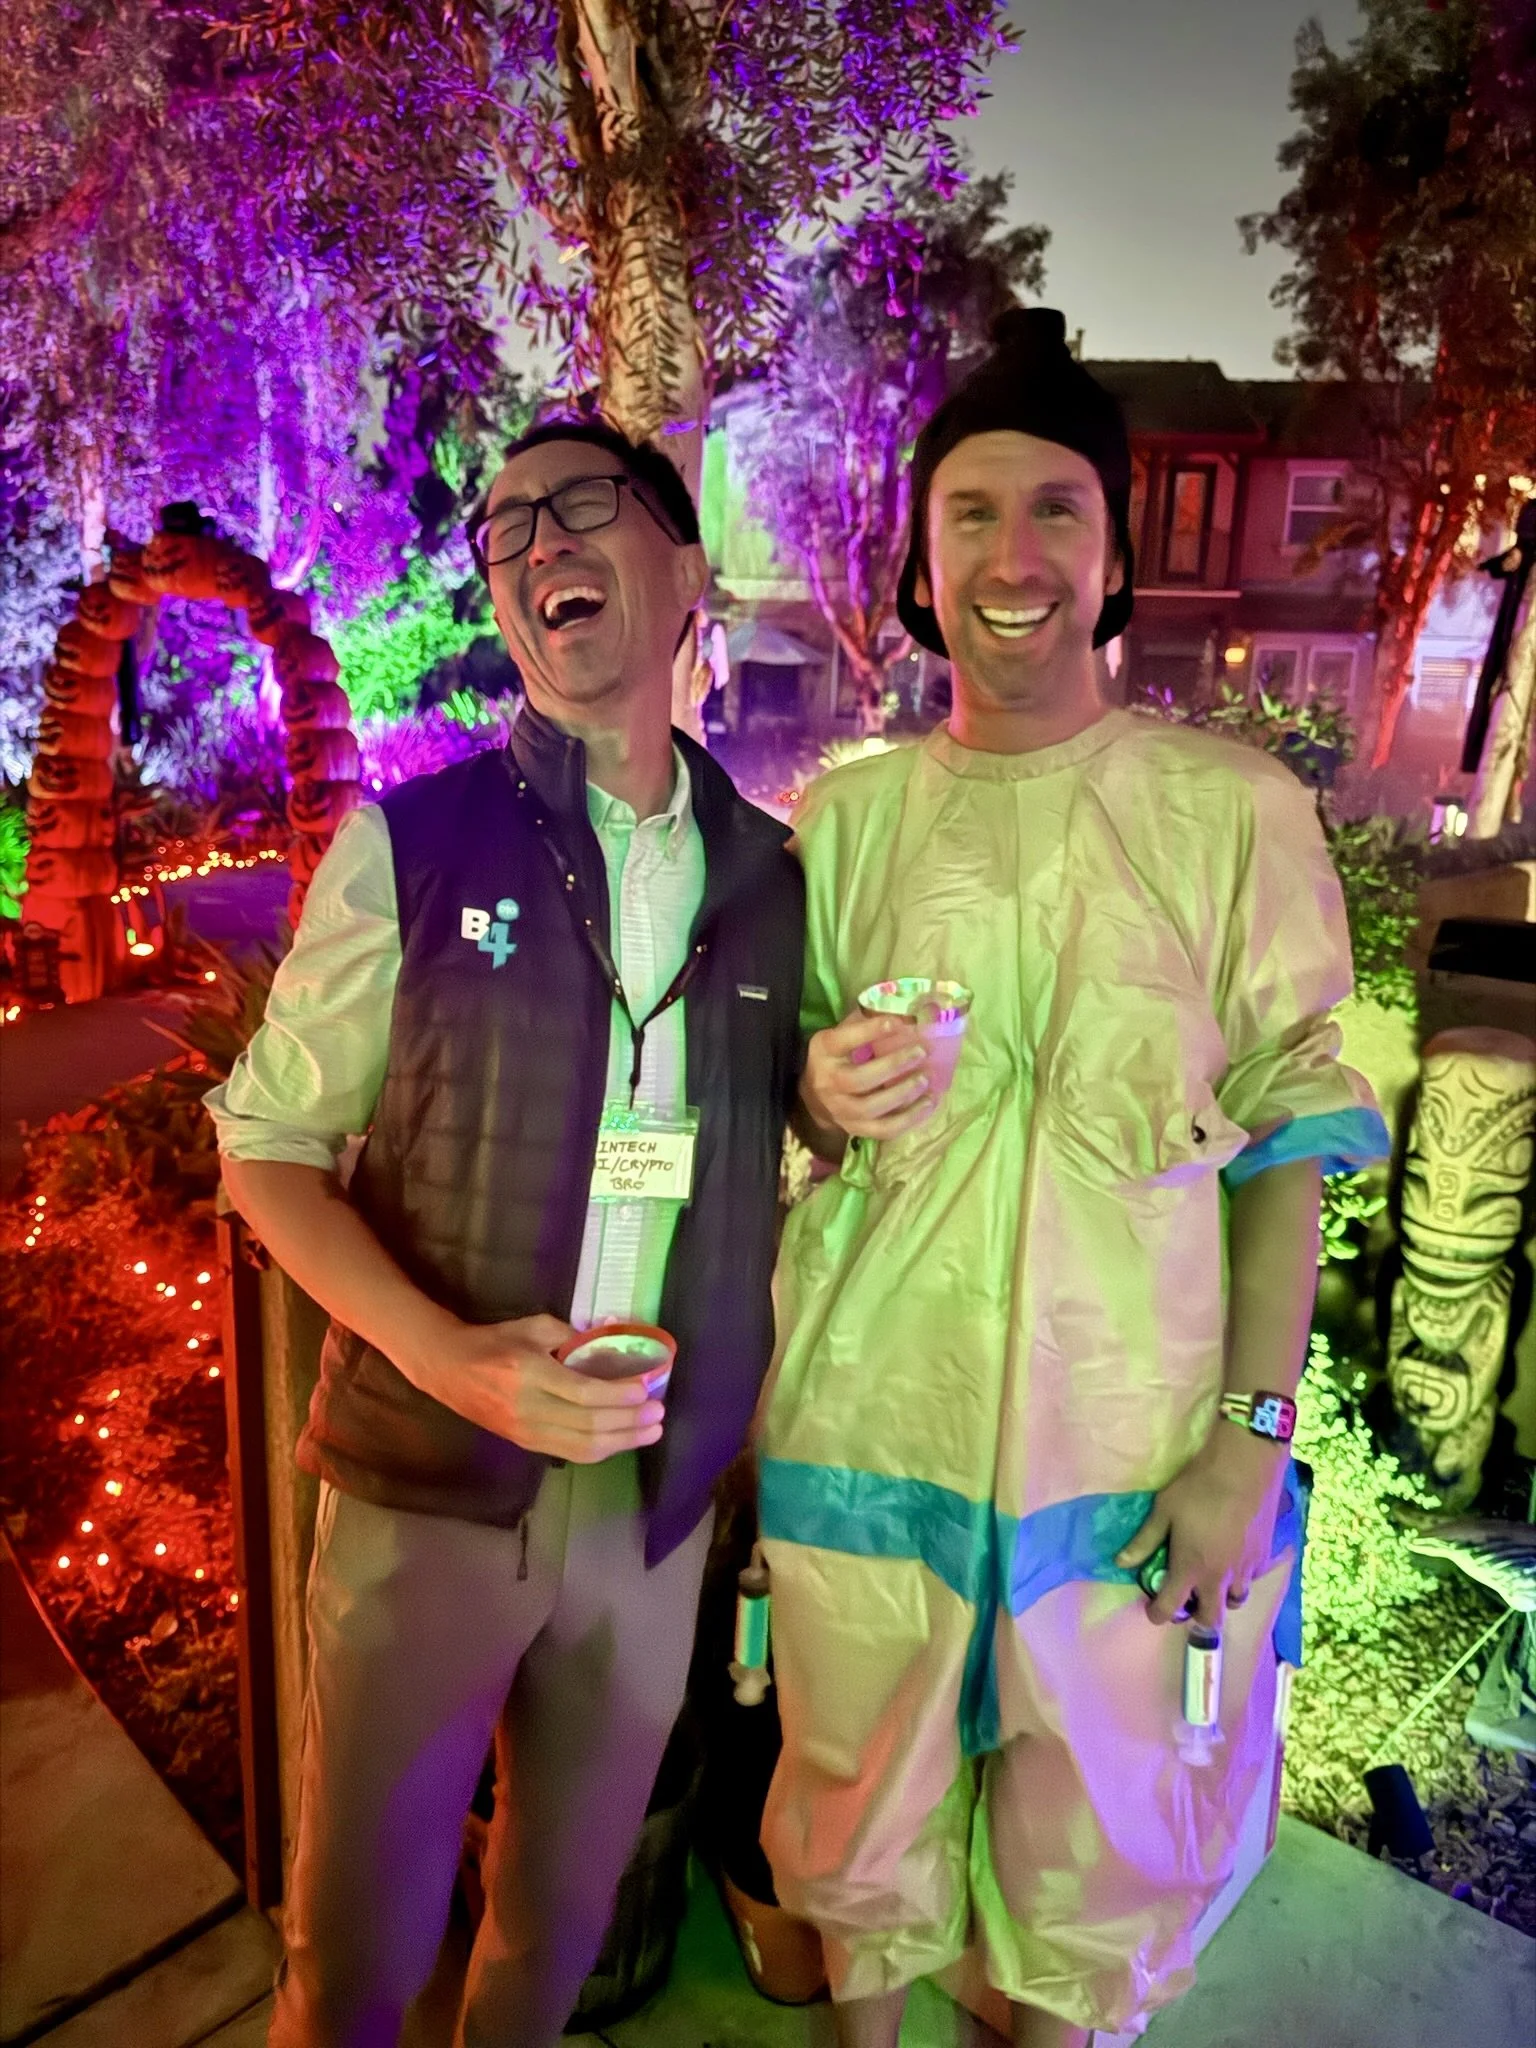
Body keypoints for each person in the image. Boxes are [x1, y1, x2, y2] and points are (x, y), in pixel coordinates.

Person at [756, 308, 1389, 2048]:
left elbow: (1287, 1141)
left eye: (1057, 509)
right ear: (920, 561)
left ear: (1114, 558)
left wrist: (1249, 1441)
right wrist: (814, 1086)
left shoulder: (1228, 813)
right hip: (868, 1425)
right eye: (971, 512)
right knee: (857, 1818)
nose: (1013, 556)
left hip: (1131, 1462)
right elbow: (795, 1113)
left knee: (1109, 1860)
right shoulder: (846, 823)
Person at [207, 418, 805, 2048]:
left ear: (686, 569)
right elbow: (265, 1149)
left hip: (650, 1509)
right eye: (506, 528)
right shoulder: (411, 848)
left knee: (554, 1944)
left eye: (581, 505)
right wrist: (450, 1358)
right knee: (352, 1964)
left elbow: (797, 1129)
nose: (539, 545)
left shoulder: (773, 878)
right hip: (425, 1490)